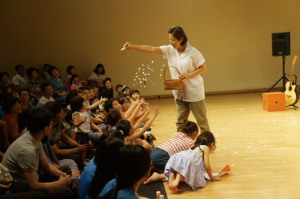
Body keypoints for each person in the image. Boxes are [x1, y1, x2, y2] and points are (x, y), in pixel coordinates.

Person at [123, 26, 210, 133]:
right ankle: (180, 143)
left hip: (194, 92)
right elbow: (151, 49)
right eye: (169, 39)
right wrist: (133, 46)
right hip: (179, 93)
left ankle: (207, 143)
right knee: (180, 121)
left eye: (173, 39)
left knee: (201, 121)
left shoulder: (193, 52)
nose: (171, 42)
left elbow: (203, 68)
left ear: (181, 39)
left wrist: (188, 75)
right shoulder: (169, 50)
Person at [1, 108, 72, 199]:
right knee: (64, 191)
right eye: (51, 123)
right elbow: (33, 186)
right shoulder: (27, 150)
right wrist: (59, 183)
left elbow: (45, 165)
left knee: (65, 170)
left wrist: (60, 174)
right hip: (21, 188)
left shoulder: (34, 138)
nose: (52, 126)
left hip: (33, 179)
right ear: (45, 128)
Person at [43, 101, 86, 169]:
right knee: (77, 157)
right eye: (60, 111)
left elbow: (64, 137)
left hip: (60, 147)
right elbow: (56, 152)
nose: (63, 112)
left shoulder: (59, 121)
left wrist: (78, 145)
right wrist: (76, 150)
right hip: (54, 155)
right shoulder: (48, 130)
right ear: (53, 117)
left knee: (84, 145)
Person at [70, 96, 103, 165]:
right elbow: (75, 123)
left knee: (86, 146)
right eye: (84, 102)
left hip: (85, 133)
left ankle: (84, 159)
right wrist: (79, 123)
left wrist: (100, 101)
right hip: (80, 134)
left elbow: (92, 106)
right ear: (79, 105)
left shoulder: (85, 110)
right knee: (83, 148)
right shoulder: (76, 114)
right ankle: (82, 161)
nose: (86, 103)